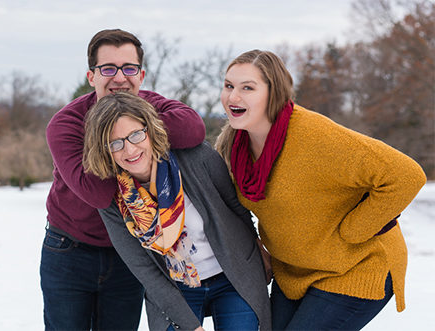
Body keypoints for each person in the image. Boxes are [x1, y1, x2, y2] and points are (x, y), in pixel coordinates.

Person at [214, 49, 426, 330]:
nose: (233, 98)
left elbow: (406, 175)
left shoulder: (315, 136)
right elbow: (234, 206)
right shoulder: (234, 145)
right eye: (229, 86)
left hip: (355, 267)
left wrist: (353, 231)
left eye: (247, 88)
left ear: (274, 93)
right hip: (292, 272)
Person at [42, 28, 206, 330]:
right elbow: (99, 192)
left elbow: (193, 128)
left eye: (129, 68)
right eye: (108, 69)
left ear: (141, 75)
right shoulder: (66, 124)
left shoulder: (150, 107)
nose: (120, 78)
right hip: (69, 250)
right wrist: (135, 137)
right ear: (92, 76)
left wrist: (133, 126)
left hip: (129, 255)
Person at [82, 92, 271, 331]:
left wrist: (258, 246)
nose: (130, 150)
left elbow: (235, 207)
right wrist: (191, 327)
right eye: (116, 143)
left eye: (136, 135)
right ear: (104, 149)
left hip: (233, 274)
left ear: (149, 129)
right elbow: (145, 270)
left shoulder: (196, 157)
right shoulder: (112, 199)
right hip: (175, 289)